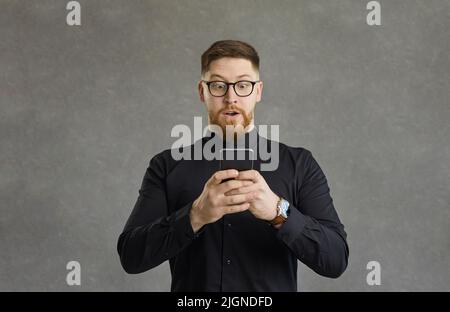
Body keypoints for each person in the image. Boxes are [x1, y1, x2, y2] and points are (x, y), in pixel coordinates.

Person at [117, 40, 349, 291]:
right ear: (201, 91)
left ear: (258, 91)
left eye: (243, 85)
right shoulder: (166, 165)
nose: (231, 97)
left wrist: (279, 211)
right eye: (218, 85)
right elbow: (131, 256)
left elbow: (335, 260)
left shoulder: (299, 164)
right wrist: (194, 215)